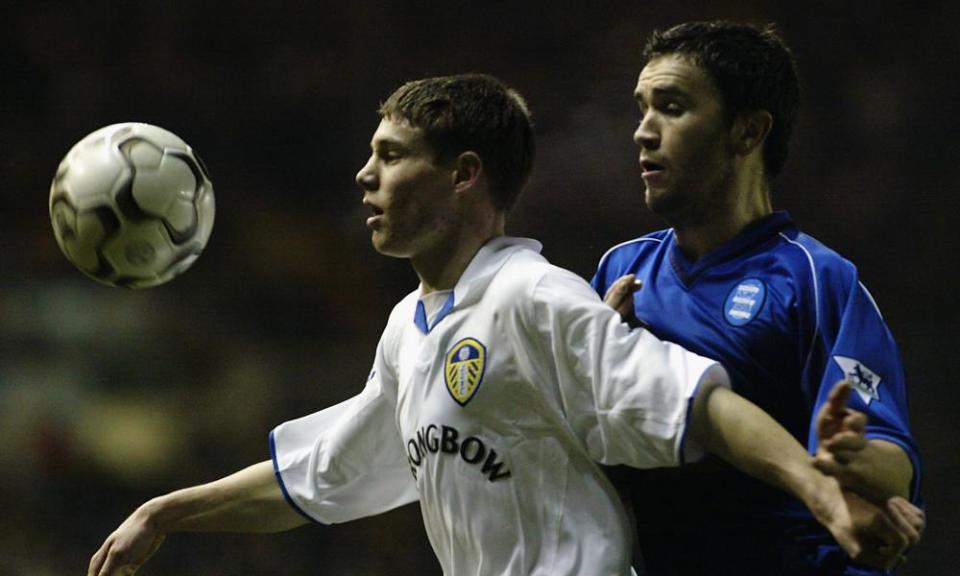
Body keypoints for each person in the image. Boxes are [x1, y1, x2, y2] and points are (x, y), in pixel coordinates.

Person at [88, 74, 919, 576]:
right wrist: (166, 512)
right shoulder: (410, 331)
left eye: (390, 154)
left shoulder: (535, 296)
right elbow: (326, 474)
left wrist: (819, 490)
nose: (364, 174)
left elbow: (695, 399)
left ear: (463, 176)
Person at [592, 21, 923, 575]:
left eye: (671, 108)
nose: (643, 132)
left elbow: (897, 470)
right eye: (641, 108)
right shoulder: (620, 271)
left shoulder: (816, 280)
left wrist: (851, 456)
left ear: (747, 132)